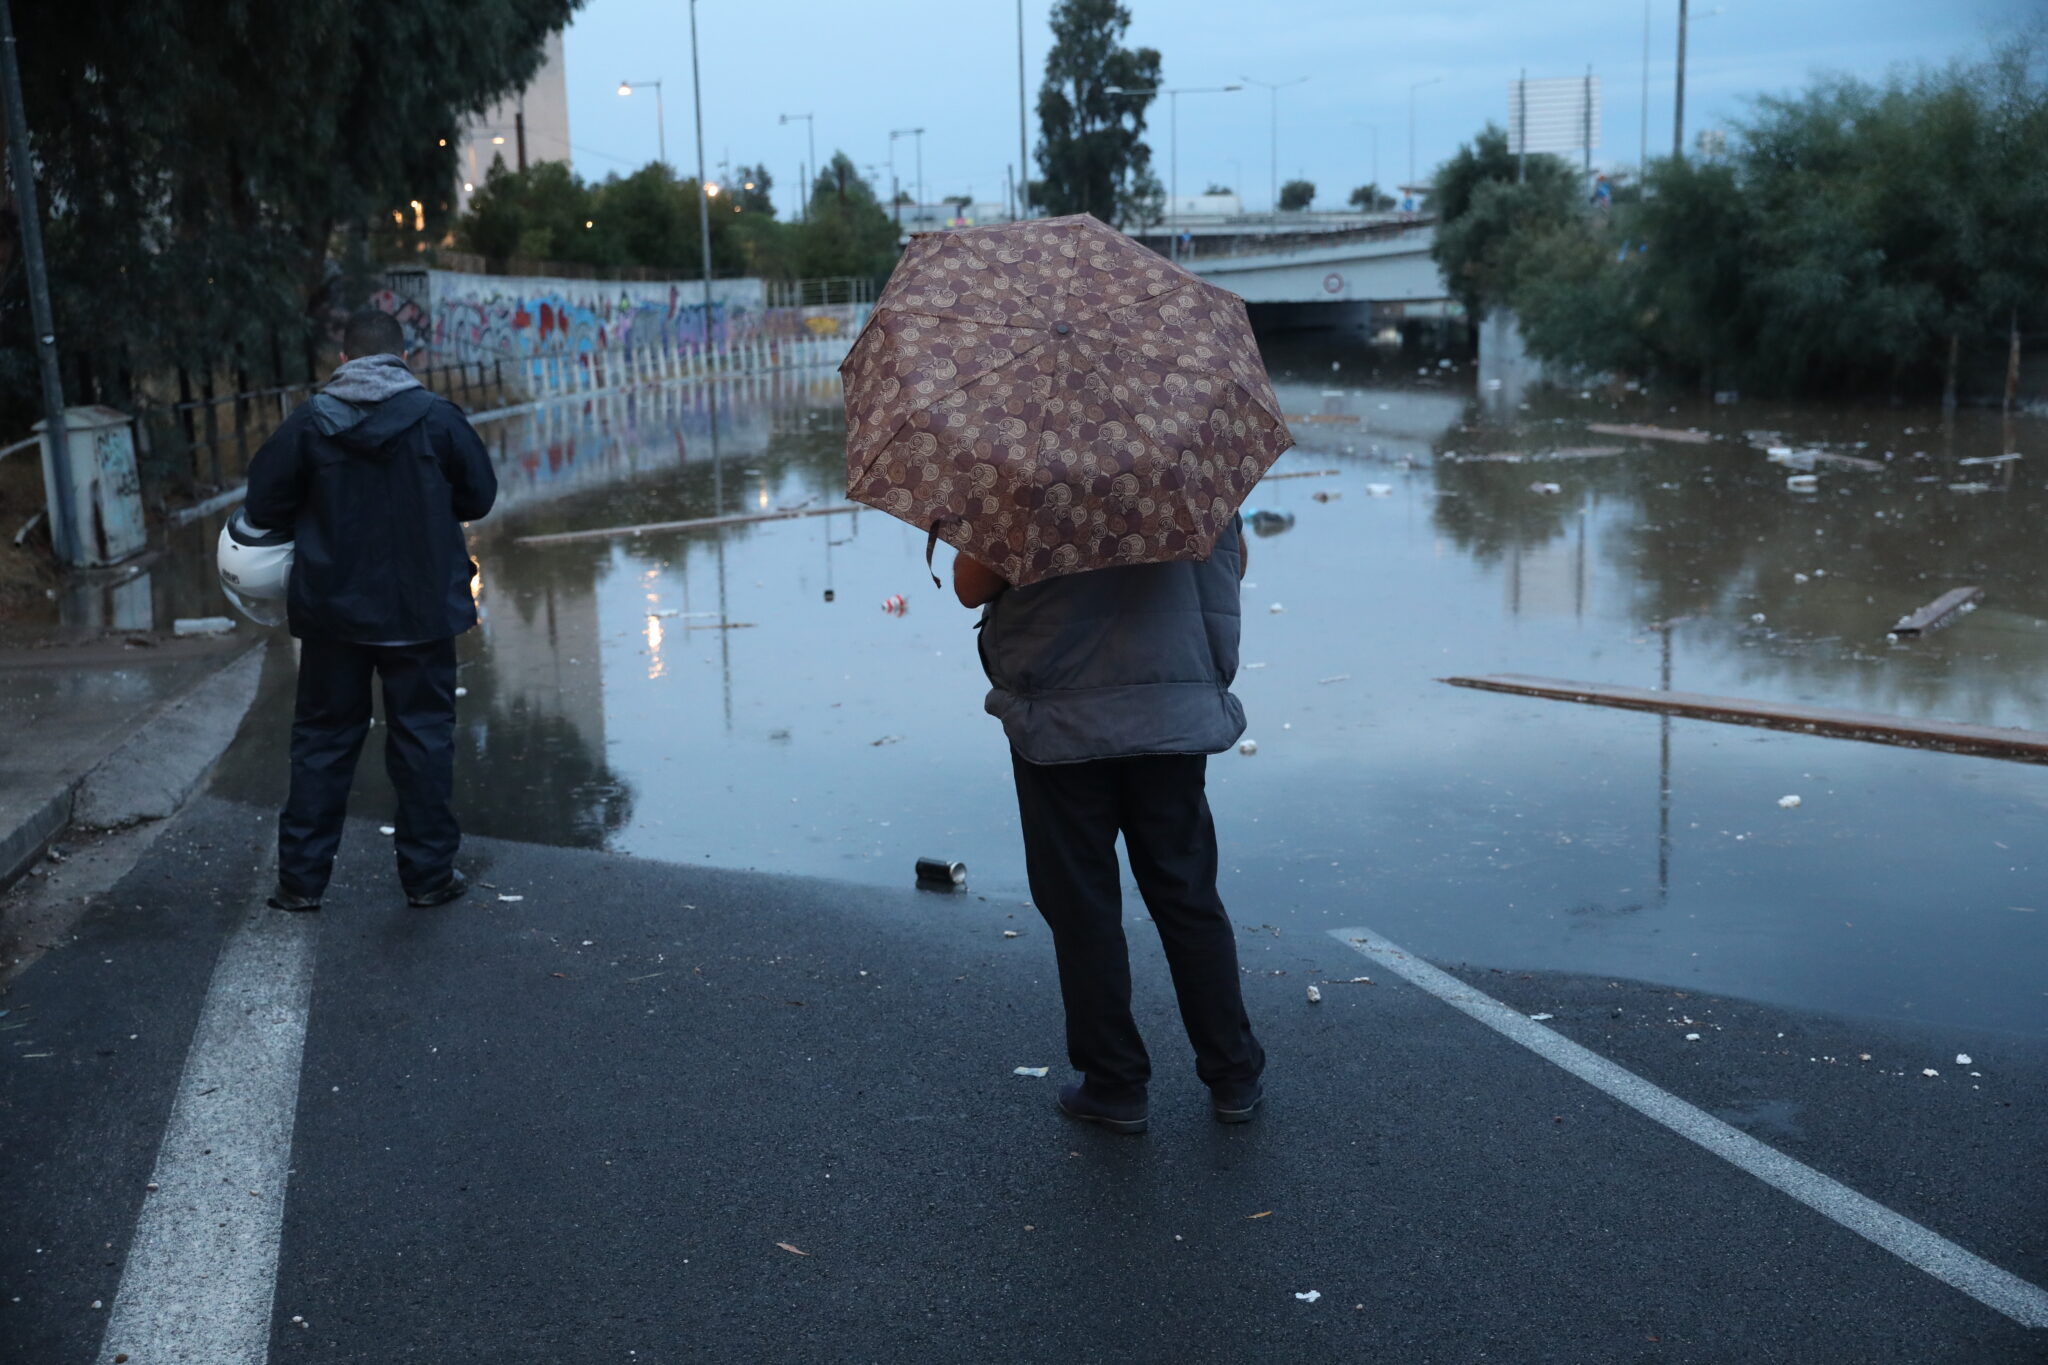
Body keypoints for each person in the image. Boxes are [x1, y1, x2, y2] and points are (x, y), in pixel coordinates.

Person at [954, 519, 1265, 1135]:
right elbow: (1235, 562)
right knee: (1186, 892)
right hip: (1172, 710)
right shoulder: (1180, 465)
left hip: (1061, 718)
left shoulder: (1030, 472)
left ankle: (1116, 1083)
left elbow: (970, 585)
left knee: (1082, 902)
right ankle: (1234, 1074)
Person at [244, 308, 497, 912]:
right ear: (404, 359)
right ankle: (429, 878)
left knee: (324, 742)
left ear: (343, 361)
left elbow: (262, 504)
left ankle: (300, 884)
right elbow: (480, 497)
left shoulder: (307, 424)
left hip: (334, 614)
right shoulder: (438, 419)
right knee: (423, 740)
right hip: (422, 612)